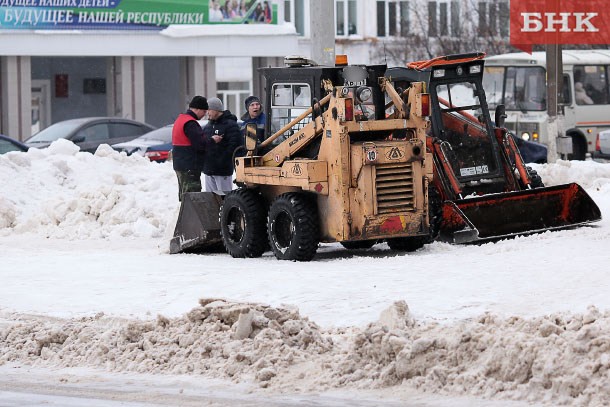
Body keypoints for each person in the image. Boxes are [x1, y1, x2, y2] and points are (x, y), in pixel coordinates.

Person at [172, 95, 208, 201]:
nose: (205, 114)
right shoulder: (190, 123)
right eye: (204, 111)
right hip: (189, 166)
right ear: (196, 109)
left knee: (185, 197)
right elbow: (200, 144)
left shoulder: (180, 119)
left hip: (180, 165)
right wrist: (211, 141)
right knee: (193, 198)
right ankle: (190, 218)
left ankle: (185, 216)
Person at [202, 97, 241, 192]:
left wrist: (222, 160)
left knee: (224, 197)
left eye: (209, 110)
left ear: (216, 110)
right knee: (211, 199)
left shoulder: (230, 125)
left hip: (223, 171)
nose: (207, 113)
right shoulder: (208, 126)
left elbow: (234, 146)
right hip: (209, 170)